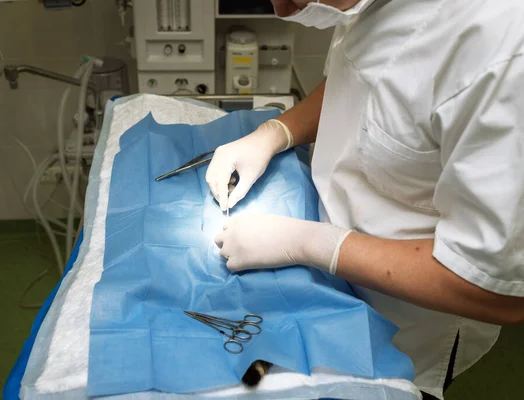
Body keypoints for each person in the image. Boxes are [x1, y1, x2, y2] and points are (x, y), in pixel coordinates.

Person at [207, 0, 524, 399]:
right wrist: (278, 131)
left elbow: (494, 289)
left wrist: (309, 243)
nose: (282, 10)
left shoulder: (505, 54)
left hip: (406, 325)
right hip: (327, 282)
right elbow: (367, 78)